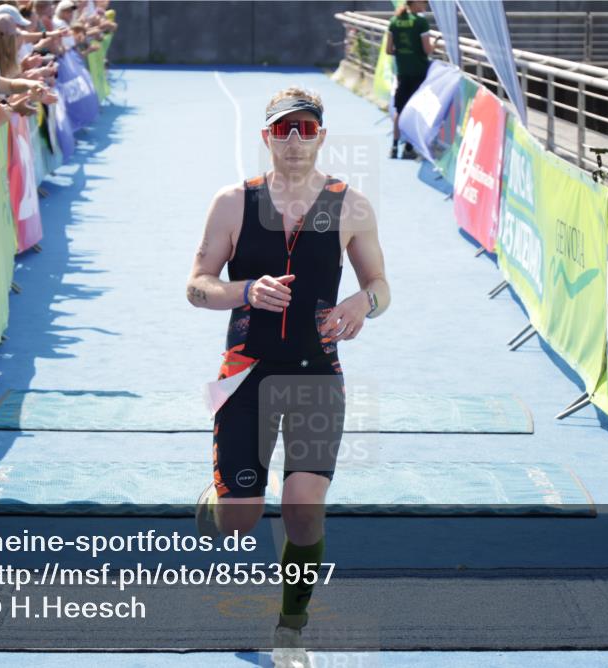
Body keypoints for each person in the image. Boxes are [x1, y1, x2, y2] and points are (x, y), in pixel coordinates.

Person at [186, 87, 390, 668]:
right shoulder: (234, 203)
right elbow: (197, 285)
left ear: (322, 136)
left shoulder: (349, 205)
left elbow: (380, 285)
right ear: (267, 137)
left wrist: (360, 306)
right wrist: (246, 291)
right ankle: (218, 500)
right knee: (239, 520)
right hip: (245, 374)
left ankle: (291, 628)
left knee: (303, 505)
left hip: (316, 375)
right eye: (284, 130)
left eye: (306, 129)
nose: (295, 140)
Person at [384, 0, 434, 160]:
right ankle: (408, 148)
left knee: (399, 110)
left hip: (402, 71)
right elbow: (427, 50)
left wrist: (403, 52)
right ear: (415, 3)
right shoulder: (420, 22)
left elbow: (388, 49)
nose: (426, 4)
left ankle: (393, 147)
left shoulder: (394, 21)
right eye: (424, 2)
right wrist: (436, 46)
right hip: (419, 71)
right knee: (414, 109)